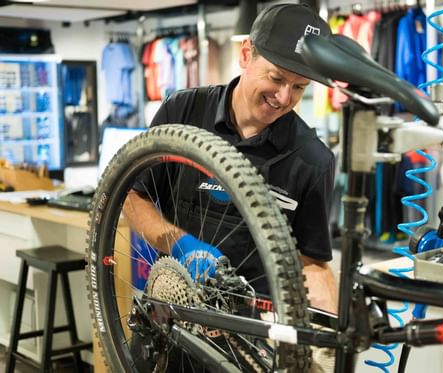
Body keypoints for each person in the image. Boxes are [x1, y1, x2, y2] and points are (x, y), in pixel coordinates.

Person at [125, 2, 338, 315]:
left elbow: (311, 262)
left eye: (299, 87)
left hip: (250, 331)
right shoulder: (182, 111)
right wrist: (178, 243)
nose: (284, 98)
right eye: (276, 78)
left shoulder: (313, 159)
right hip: (171, 314)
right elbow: (131, 196)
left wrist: (329, 334)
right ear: (245, 54)